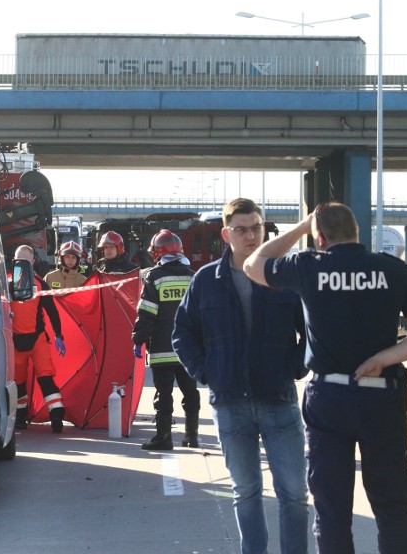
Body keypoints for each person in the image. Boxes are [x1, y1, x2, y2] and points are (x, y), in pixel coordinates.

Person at [243, 201, 407, 554]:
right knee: (393, 508)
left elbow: (252, 264)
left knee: (332, 510)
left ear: (319, 237)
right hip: (383, 397)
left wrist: (299, 229)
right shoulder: (392, 269)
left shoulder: (307, 266)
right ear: (358, 232)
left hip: (330, 401)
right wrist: (386, 357)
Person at [173, 198, 309, 554]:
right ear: (226, 234)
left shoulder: (283, 277)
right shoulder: (207, 280)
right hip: (230, 402)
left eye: (256, 228)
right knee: (246, 492)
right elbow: (183, 334)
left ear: (264, 230)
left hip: (278, 399)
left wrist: (294, 367)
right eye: (242, 229)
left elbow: (311, 332)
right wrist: (206, 373)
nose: (250, 236)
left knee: (294, 492)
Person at [132, 229, 200, 450]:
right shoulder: (192, 277)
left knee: (164, 394)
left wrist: (138, 338)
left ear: (157, 253)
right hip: (188, 351)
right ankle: (191, 436)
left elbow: (147, 312)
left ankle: (163, 437)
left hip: (162, 347)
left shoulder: (155, 277)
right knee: (191, 392)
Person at [12, 245, 68, 433]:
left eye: (25, 261)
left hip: (37, 339)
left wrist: (58, 335)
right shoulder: (6, 283)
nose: (21, 265)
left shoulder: (40, 284)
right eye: (18, 261)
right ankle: (20, 417)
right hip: (15, 341)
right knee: (18, 382)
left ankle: (56, 415)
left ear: (33, 261)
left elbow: (52, 312)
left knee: (45, 378)